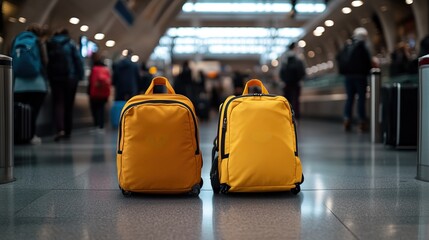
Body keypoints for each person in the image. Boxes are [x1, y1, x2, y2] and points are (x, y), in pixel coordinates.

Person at [11, 23, 49, 144]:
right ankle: (31, 136)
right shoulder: (38, 42)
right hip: (37, 85)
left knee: (17, 113)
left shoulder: (16, 40)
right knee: (33, 112)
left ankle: (17, 136)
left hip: (18, 85)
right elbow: (45, 61)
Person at [46, 27, 84, 141]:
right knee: (69, 105)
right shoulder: (70, 43)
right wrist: (80, 76)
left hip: (55, 78)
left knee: (58, 103)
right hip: (70, 78)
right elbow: (78, 60)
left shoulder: (50, 43)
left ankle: (59, 129)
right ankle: (68, 131)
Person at [338, 27, 372, 132]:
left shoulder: (348, 45)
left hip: (348, 77)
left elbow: (339, 57)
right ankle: (362, 121)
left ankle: (347, 119)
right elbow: (367, 62)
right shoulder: (363, 46)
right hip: (360, 77)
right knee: (361, 99)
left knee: (350, 98)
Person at [279, 42, 306, 119]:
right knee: (296, 100)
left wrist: (283, 81)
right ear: (294, 48)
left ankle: (287, 116)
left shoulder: (284, 58)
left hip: (286, 84)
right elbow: (303, 72)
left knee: (287, 100)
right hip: (296, 83)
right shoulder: (299, 58)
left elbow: (281, 72)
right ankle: (296, 116)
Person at [88, 52, 111, 131]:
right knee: (101, 109)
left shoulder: (94, 68)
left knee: (95, 109)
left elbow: (91, 81)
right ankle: (101, 126)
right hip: (104, 93)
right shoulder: (105, 68)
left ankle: (96, 125)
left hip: (95, 92)